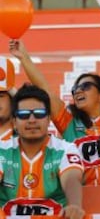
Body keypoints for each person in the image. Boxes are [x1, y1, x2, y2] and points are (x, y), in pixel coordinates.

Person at [9, 16, 100, 186]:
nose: (79, 90)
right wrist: (24, 58)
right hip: (81, 202)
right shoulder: (68, 123)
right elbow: (44, 90)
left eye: (86, 86)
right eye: (75, 89)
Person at [0, 84, 84, 218]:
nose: (32, 120)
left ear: (49, 119)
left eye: (39, 114)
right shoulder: (2, 150)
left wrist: (74, 205)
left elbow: (72, 179)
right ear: (14, 121)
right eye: (24, 115)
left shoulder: (65, 149)